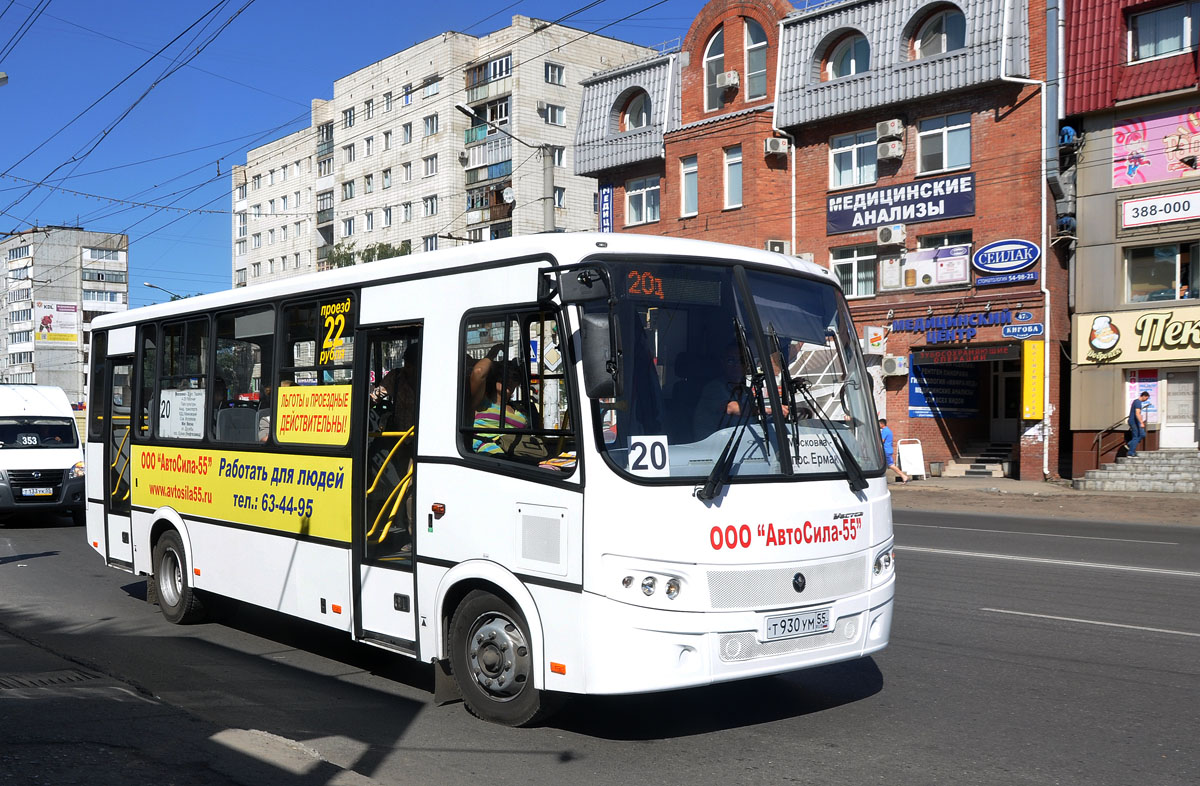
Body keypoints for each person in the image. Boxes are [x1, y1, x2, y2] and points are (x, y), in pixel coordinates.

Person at [879, 418, 909, 484]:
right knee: (883, 465)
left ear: (882, 424)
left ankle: (903, 476)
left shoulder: (884, 431)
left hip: (886, 450)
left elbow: (882, 440)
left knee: (891, 465)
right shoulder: (888, 430)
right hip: (888, 449)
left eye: (879, 424)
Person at [1127, 390, 1150, 457]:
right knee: (1137, 436)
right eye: (1146, 398)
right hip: (1134, 422)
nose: (1146, 400)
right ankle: (1131, 452)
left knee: (1141, 435)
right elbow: (1137, 413)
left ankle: (1131, 445)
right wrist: (1141, 422)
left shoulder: (1136, 402)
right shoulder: (1138, 402)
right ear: (1144, 396)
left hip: (1135, 421)